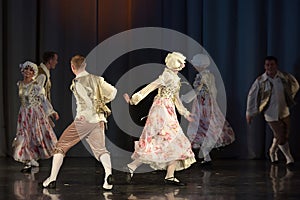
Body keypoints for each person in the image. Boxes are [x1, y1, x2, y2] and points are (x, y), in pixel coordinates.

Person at [42, 55, 117, 190]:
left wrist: (87, 112)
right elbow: (113, 92)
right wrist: (100, 101)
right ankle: (108, 176)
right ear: (85, 65)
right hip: (98, 119)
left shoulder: (78, 82)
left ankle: (52, 179)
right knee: (101, 150)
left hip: (84, 120)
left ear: (72, 67)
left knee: (61, 146)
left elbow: (86, 101)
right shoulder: (97, 79)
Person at [123, 52, 196, 186]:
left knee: (172, 141)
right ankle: (164, 174)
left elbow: (176, 98)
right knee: (173, 140)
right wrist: (134, 100)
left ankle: (165, 174)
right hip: (161, 110)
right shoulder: (166, 76)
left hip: (169, 110)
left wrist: (185, 113)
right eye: (180, 62)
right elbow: (150, 87)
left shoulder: (175, 78)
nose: (183, 65)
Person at [181, 54, 235, 165]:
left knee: (201, 128)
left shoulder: (203, 76)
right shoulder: (209, 75)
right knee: (203, 128)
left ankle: (202, 156)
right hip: (207, 103)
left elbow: (198, 89)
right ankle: (206, 157)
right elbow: (213, 90)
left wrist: (186, 98)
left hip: (203, 105)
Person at [246, 56, 299, 166]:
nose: (269, 67)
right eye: (267, 65)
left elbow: (295, 85)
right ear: (265, 66)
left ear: (276, 65)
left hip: (284, 111)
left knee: (283, 134)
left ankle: (272, 151)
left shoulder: (284, 77)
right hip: (270, 113)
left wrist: (290, 96)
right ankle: (289, 158)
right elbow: (252, 96)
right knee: (281, 135)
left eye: (272, 64)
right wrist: (249, 113)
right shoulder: (260, 80)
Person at [12, 61, 58, 172]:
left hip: (35, 113)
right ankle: (28, 161)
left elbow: (43, 100)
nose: (28, 72)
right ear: (23, 70)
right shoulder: (20, 84)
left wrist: (51, 112)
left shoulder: (36, 86)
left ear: (34, 73)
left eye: (31, 70)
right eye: (26, 69)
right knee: (24, 136)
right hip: (24, 114)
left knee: (36, 136)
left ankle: (34, 158)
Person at [36, 51, 59, 126]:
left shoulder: (44, 73)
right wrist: (50, 111)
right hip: (38, 110)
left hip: (42, 109)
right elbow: (39, 94)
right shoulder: (42, 75)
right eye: (55, 60)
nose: (56, 62)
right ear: (50, 60)